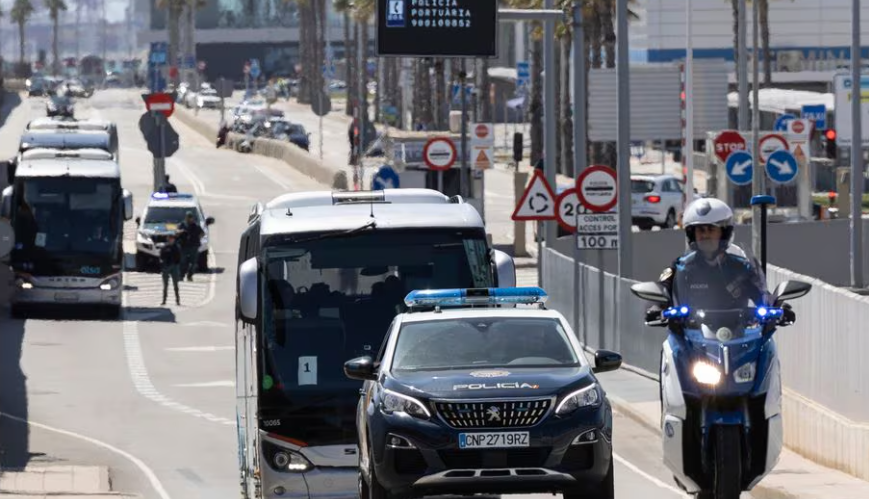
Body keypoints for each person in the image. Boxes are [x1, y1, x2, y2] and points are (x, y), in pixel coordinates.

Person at [651, 198, 770, 315]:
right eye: (700, 230)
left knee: (769, 335)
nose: (705, 235)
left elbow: (762, 294)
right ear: (692, 235)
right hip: (688, 333)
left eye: (711, 229)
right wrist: (656, 306)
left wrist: (776, 306)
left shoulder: (742, 268)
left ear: (724, 233)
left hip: (740, 332)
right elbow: (663, 288)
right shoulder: (682, 266)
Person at [177, 211, 204, 281]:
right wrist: (181, 231)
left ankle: (190, 275)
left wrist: (196, 238)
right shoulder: (182, 225)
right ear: (186, 217)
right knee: (182, 262)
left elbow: (202, 234)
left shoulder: (196, 226)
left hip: (194, 246)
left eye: (191, 217)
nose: (189, 219)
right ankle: (181, 275)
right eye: (188, 217)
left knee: (193, 263)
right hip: (184, 246)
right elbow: (176, 232)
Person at [159, 233, 182, 306]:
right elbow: (161, 257)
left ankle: (177, 300)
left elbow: (179, 257)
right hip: (166, 267)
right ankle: (164, 300)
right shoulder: (164, 247)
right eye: (170, 238)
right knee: (165, 285)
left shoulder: (177, 247)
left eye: (172, 238)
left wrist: (176, 264)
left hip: (174, 266)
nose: (171, 240)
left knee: (175, 285)